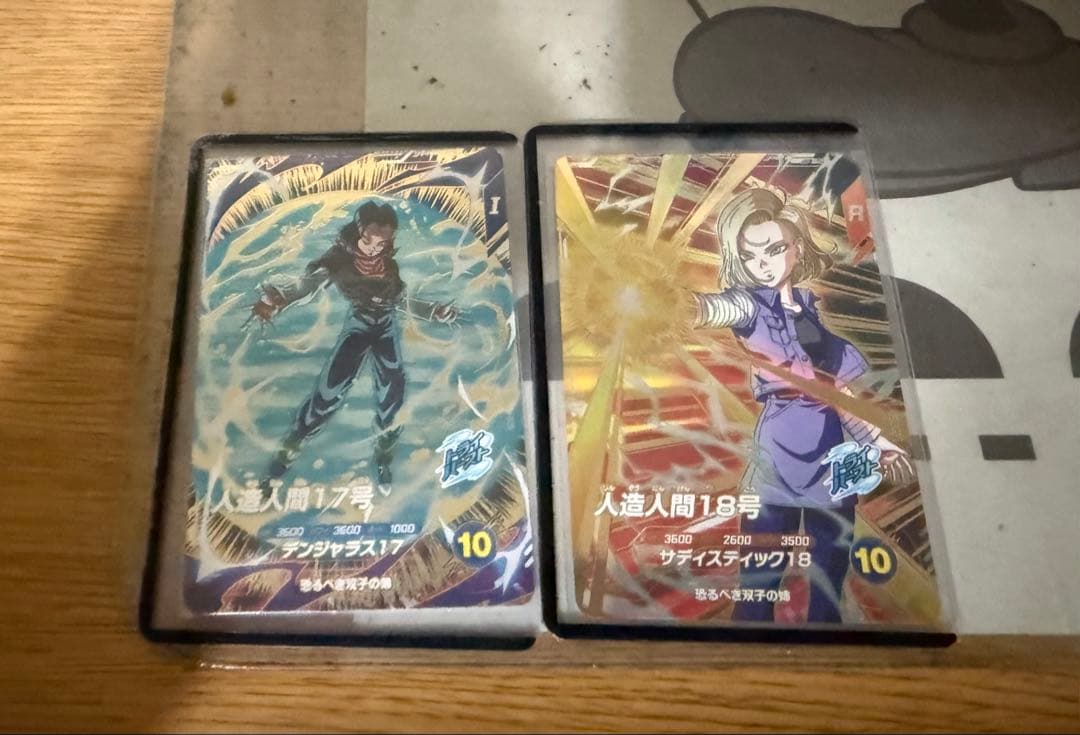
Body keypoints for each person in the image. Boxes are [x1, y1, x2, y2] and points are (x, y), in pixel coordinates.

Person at [692, 187, 910, 623]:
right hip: (777, 460)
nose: (763, 263)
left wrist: (878, 441)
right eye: (750, 255)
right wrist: (676, 304)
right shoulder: (749, 305)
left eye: (774, 250)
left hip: (833, 462)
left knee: (828, 591)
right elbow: (714, 308)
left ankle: (826, 658)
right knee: (757, 591)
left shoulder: (811, 314)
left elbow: (839, 394)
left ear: (796, 248)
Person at [249, 200, 457, 494]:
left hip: (385, 328)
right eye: (368, 240)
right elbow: (308, 283)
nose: (373, 249)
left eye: (381, 243)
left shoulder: (389, 266)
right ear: (358, 232)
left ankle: (384, 459)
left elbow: (401, 300)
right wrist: (279, 297)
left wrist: (434, 311)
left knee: (392, 395)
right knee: (327, 395)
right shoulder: (338, 260)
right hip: (359, 326)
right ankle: (281, 462)